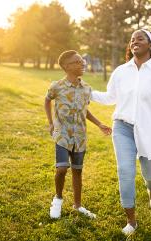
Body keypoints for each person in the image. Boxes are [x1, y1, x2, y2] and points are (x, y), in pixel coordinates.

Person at [91, 30, 151, 235]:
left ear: (150, 45)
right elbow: (110, 97)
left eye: (140, 38)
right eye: (132, 39)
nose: (134, 41)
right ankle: (131, 221)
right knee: (125, 171)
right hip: (122, 128)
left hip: (149, 130)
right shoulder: (121, 71)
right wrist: (88, 93)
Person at [44, 50, 112, 219]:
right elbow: (47, 100)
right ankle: (57, 199)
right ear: (67, 66)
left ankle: (78, 205)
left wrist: (99, 124)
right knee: (61, 168)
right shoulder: (56, 86)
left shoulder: (86, 89)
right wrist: (51, 122)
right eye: (78, 62)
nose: (82, 64)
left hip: (80, 136)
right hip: (62, 134)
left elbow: (84, 110)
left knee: (77, 171)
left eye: (82, 61)